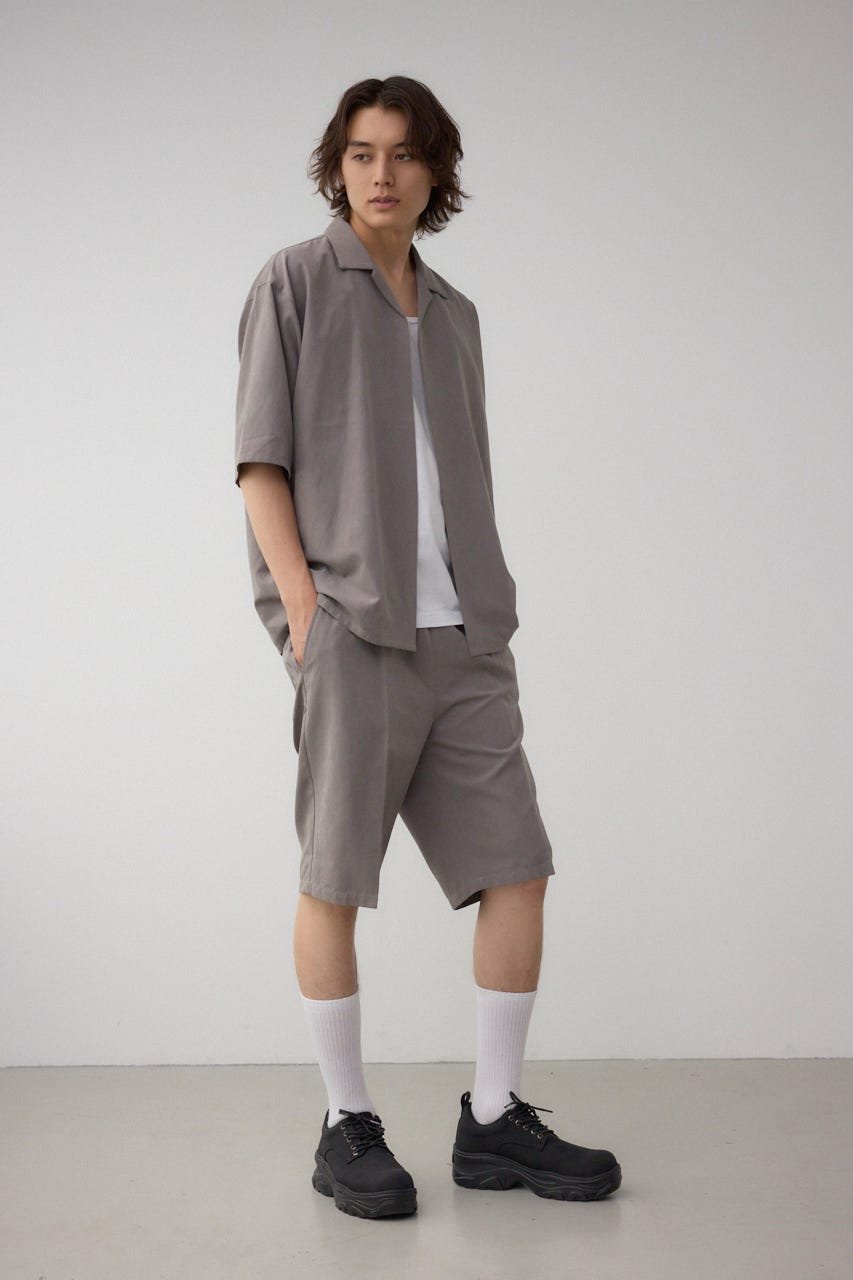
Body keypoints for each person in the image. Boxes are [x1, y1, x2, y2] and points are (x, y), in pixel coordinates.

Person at [234, 75, 621, 1219]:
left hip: (466, 635)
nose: (381, 173)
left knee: (517, 868)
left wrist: (483, 605)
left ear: (435, 171)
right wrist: (305, 615)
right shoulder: (294, 281)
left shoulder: (455, 312)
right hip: (354, 632)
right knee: (335, 877)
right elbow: (260, 461)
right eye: (361, 153)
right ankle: (345, 1122)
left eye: (403, 154)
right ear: (337, 166)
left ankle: (493, 1117)